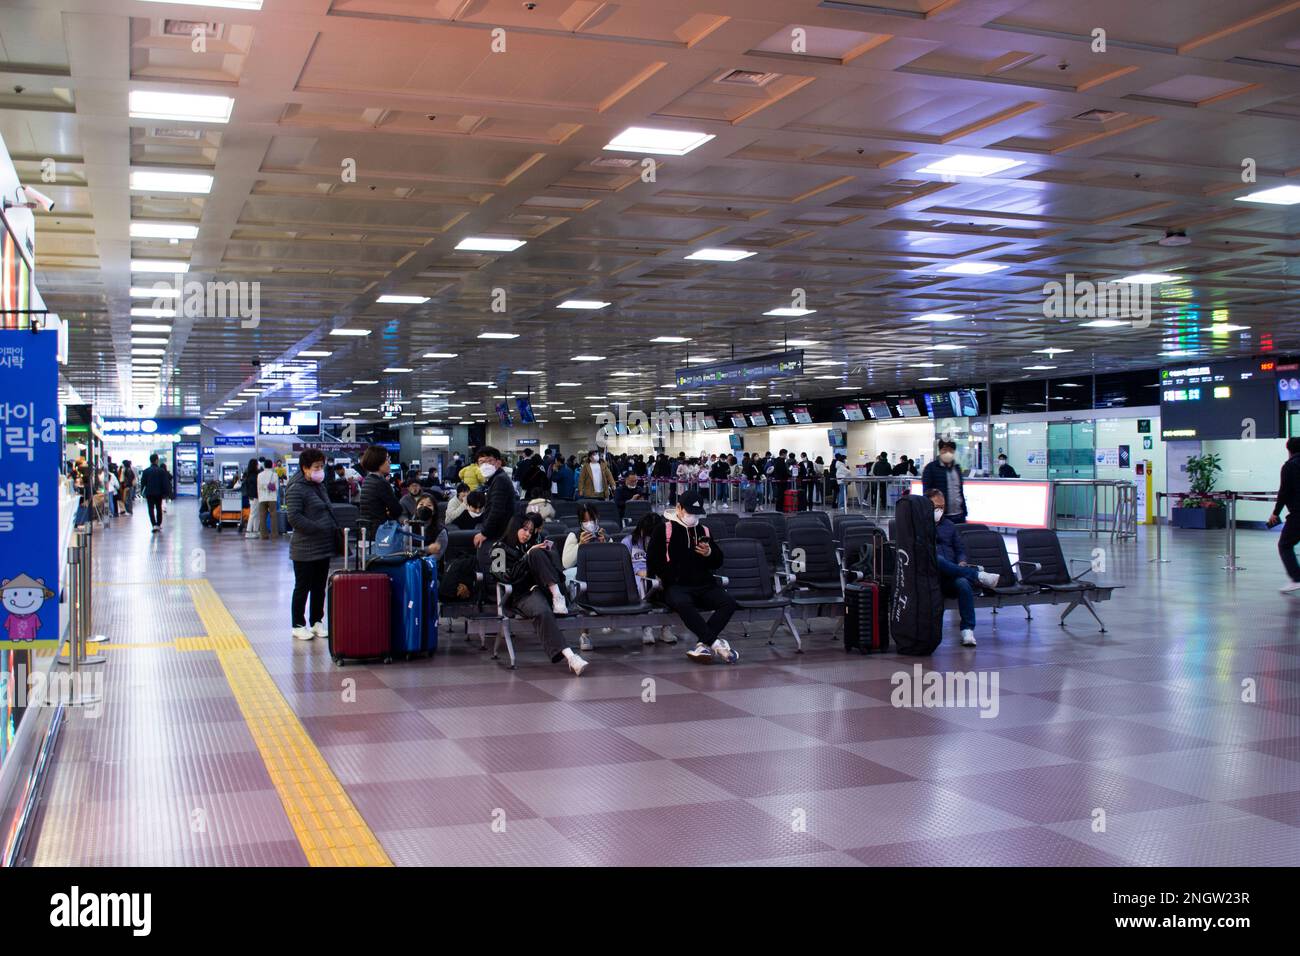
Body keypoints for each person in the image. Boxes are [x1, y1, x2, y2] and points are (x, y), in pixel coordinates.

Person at [645, 490, 739, 664]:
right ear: (679, 508)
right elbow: (652, 561)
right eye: (690, 512)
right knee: (682, 603)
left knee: (728, 603)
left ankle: (703, 643)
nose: (693, 517)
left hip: (704, 585)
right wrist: (670, 577)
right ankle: (716, 644)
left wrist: (709, 553)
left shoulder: (704, 530)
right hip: (676, 586)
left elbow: (717, 561)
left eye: (697, 513)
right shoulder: (664, 530)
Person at [492, 513, 588, 676]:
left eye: (530, 531)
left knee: (540, 552)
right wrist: (526, 556)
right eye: (524, 529)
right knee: (543, 612)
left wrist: (547, 553)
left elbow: (559, 571)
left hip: (543, 588)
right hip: (521, 594)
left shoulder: (533, 544)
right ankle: (571, 657)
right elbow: (504, 577)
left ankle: (558, 596)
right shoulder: (498, 549)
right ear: (514, 527)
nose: (527, 534)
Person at [927, 489, 1001, 646]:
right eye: (935, 507)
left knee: (962, 583)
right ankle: (978, 576)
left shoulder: (949, 525)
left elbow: (960, 549)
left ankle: (967, 630)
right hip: (933, 576)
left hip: (952, 574)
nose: (939, 510)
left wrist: (961, 561)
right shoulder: (920, 527)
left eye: (942, 507)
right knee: (936, 558)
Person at [284, 449, 339, 641]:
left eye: (322, 467)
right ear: (304, 468)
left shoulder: (318, 486)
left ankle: (317, 621)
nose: (320, 470)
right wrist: (316, 527)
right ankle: (297, 624)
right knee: (303, 586)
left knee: (319, 586)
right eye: (316, 467)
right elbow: (294, 517)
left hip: (323, 546)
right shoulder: (296, 488)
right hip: (304, 547)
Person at [622, 512, 676, 647]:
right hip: (637, 581)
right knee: (641, 583)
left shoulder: (665, 543)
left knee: (672, 583)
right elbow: (624, 568)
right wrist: (641, 573)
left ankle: (666, 628)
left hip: (658, 578)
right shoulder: (628, 542)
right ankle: (647, 628)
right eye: (647, 534)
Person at [562, 503, 609, 652]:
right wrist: (580, 545)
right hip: (581, 575)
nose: (589, 524)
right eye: (585, 521)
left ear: (597, 519)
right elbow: (566, 562)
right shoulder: (574, 536)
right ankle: (584, 633)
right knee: (582, 587)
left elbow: (613, 561)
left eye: (592, 520)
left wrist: (604, 544)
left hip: (601, 574)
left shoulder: (603, 535)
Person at [1267, 436, 1300, 594]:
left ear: (1289, 450)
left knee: (1285, 545)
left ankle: (1296, 578)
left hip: (1298, 514)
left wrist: (1275, 513)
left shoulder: (1289, 466)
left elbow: (1284, 492)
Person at [357, 444, 403, 542]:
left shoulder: (368, 480)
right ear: (378, 462)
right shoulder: (381, 483)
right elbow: (397, 510)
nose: (390, 462)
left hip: (366, 530)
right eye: (387, 459)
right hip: (380, 532)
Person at [473, 446, 516, 549]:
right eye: (481, 462)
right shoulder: (497, 478)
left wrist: (484, 533)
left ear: (498, 463)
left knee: (495, 563)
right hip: (500, 532)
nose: (485, 465)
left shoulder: (499, 480)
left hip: (499, 535)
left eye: (490, 461)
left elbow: (497, 510)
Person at [922, 440, 967, 524]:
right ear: (940, 451)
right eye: (945, 450)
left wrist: (964, 511)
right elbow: (927, 493)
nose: (948, 453)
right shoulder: (931, 468)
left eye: (950, 450)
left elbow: (960, 491)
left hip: (959, 515)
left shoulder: (957, 468)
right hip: (941, 516)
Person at [139, 453, 172, 533]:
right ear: (157, 460)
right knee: (158, 508)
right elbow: (165, 483)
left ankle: (153, 524)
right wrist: (167, 493)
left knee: (150, 509)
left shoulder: (146, 471)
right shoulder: (161, 471)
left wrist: (141, 492)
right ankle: (158, 524)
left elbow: (143, 483)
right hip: (159, 493)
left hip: (149, 493)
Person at [254, 456, 281, 540]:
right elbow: (277, 487)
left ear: (264, 466)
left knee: (262, 517)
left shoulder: (259, 475)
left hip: (262, 498)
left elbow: (258, 487)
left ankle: (264, 535)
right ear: (272, 466)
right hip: (272, 498)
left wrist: (260, 496)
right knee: (273, 516)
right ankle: (274, 535)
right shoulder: (275, 474)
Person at [240, 457, 259, 533]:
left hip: (251, 496)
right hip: (255, 496)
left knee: (254, 513)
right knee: (254, 514)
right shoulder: (255, 475)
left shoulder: (247, 474)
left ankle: (255, 530)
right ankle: (249, 530)